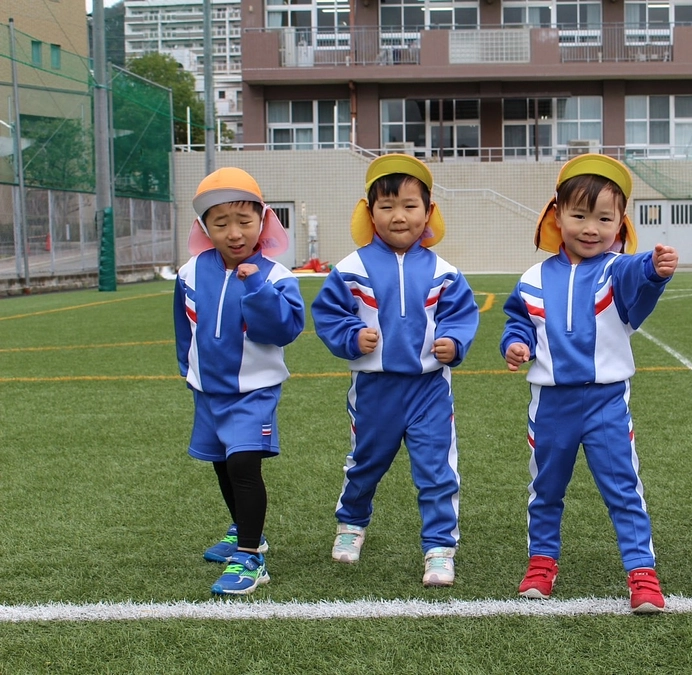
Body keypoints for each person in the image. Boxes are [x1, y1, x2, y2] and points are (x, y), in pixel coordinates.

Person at [500, 154, 678, 614]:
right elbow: (517, 321)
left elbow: (637, 274)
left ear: (620, 223)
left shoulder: (615, 269)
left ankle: (641, 571)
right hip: (551, 404)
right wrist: (514, 345)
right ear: (556, 215)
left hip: (606, 403)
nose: (591, 228)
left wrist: (655, 268)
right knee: (546, 488)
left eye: (604, 218)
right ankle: (542, 561)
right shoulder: (532, 278)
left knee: (623, 486)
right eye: (579, 215)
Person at [311, 154, 479, 587]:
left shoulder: (445, 272)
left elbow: (460, 315)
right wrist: (352, 336)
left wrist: (454, 342)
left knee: (437, 469)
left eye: (409, 205)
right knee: (365, 462)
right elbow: (329, 314)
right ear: (369, 213)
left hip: (429, 390)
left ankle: (439, 548)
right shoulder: (351, 268)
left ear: (428, 213)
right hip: (373, 389)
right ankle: (351, 524)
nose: (398, 216)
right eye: (386, 207)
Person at [173, 167, 306, 596]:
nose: (234, 233)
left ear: (263, 222)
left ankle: (251, 556)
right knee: (220, 463)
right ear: (204, 227)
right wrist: (188, 370)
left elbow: (285, 330)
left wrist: (258, 290)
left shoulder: (277, 276)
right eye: (221, 222)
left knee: (243, 464)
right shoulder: (190, 272)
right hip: (207, 391)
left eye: (244, 222)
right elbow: (184, 327)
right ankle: (246, 530)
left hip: (254, 392)